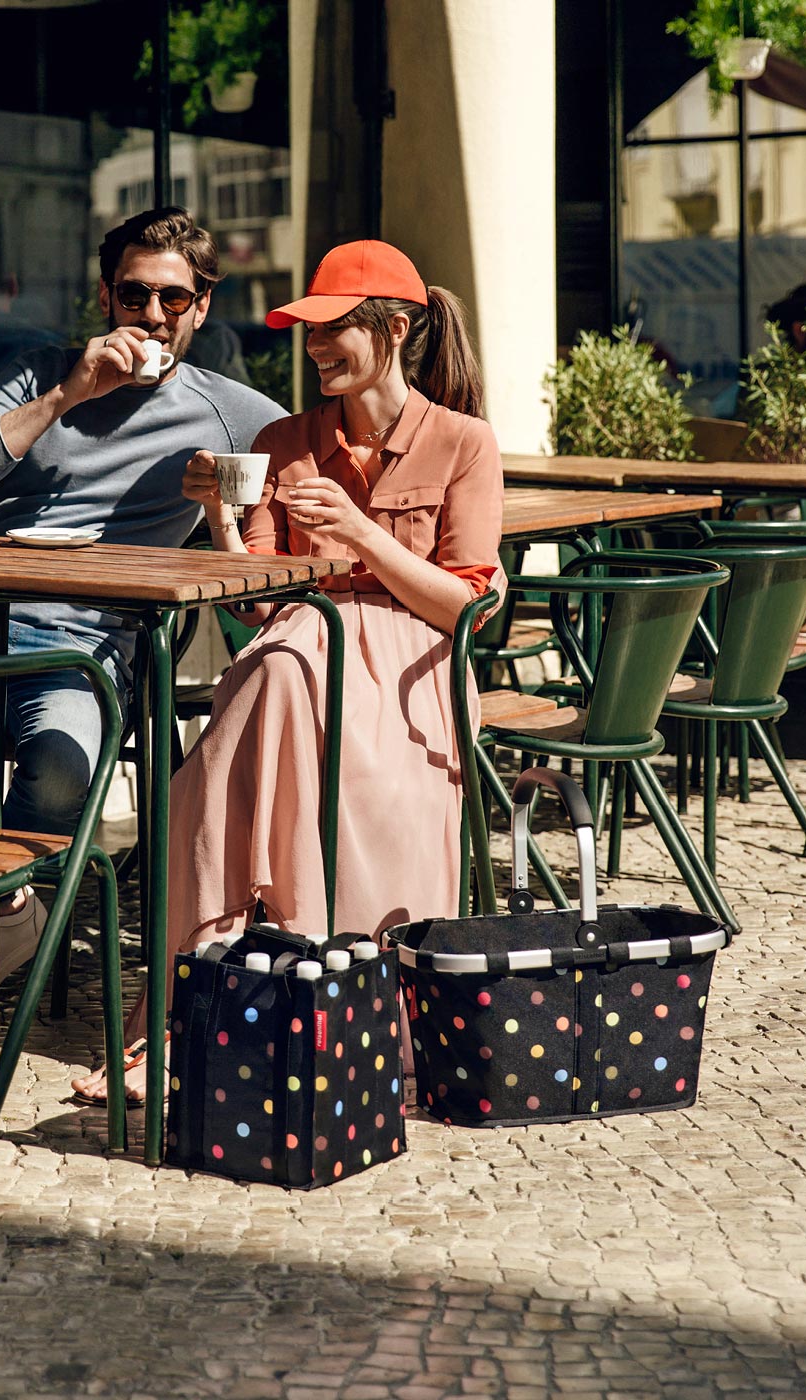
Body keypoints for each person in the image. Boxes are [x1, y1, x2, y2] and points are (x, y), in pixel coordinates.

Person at [73, 239, 506, 1104]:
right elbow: (258, 603)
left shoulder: (463, 443)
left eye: (332, 330)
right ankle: (239, 1011)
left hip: (410, 662)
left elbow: (465, 609)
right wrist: (225, 525)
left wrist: (360, 536)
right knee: (279, 664)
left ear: (394, 328)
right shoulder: (283, 440)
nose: (313, 349)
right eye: (307, 332)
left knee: (229, 759)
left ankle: (239, 1012)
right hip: (296, 652)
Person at [0, 207, 286, 1013]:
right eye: (134, 296)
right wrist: (67, 393)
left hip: (89, 642)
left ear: (201, 307)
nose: (151, 317)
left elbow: (317, 462)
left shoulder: (232, 410)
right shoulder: (41, 374)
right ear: (106, 296)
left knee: (61, 763)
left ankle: (1, 900)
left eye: (173, 299)